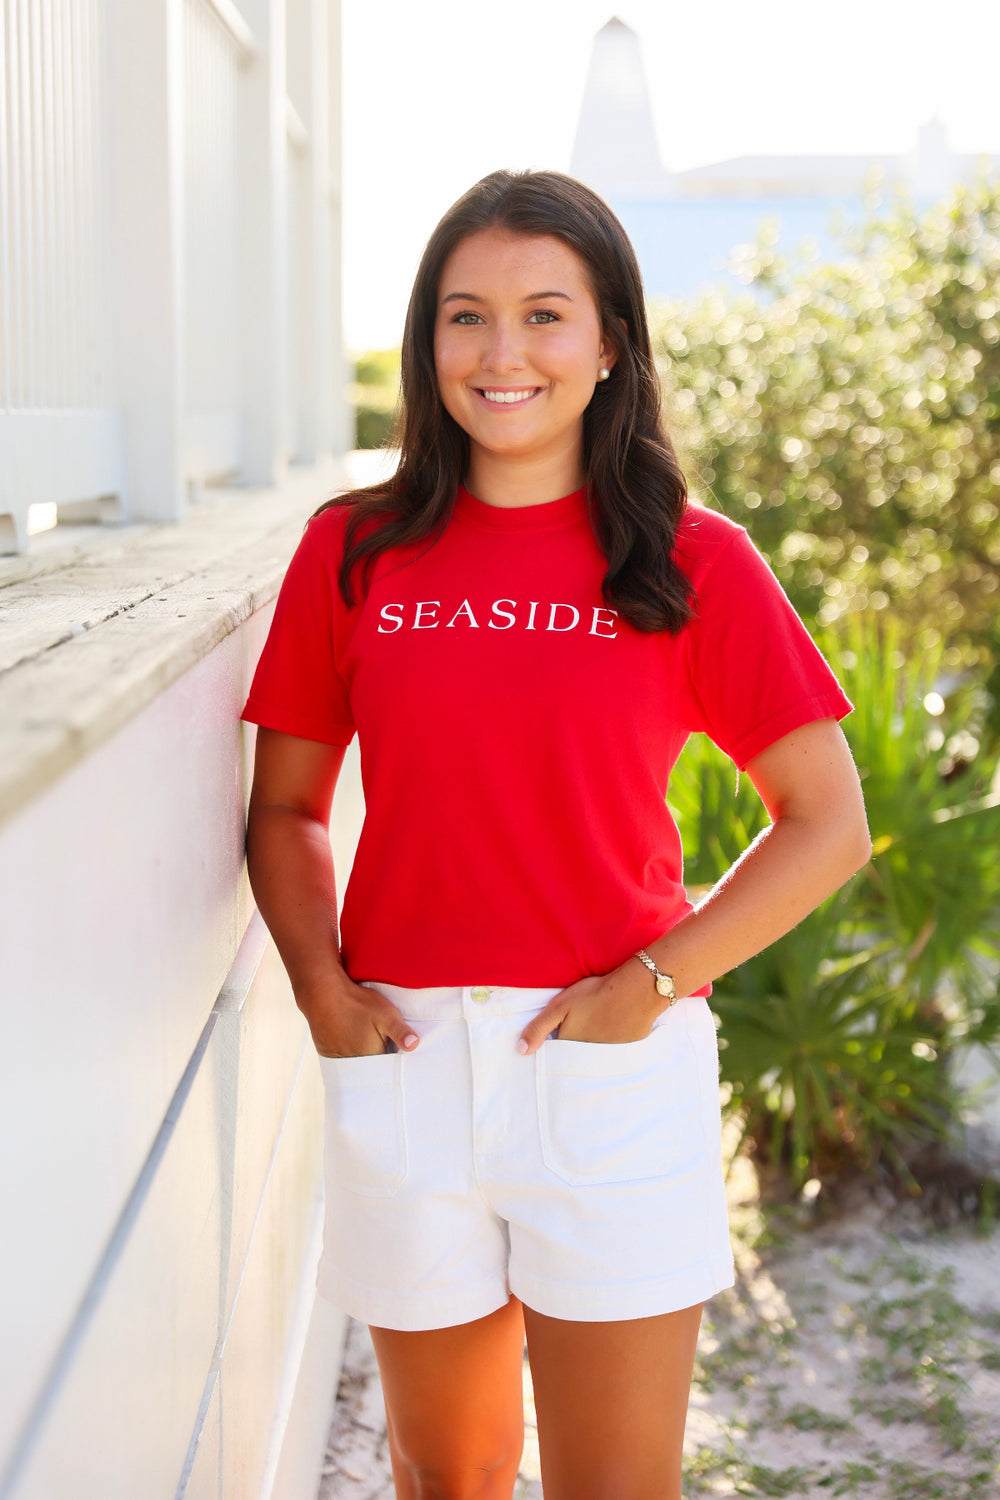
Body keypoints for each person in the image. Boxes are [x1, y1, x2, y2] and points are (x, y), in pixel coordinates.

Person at [241, 169, 871, 1500]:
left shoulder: (693, 560)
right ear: (428, 345)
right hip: (404, 1054)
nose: (502, 353)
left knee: (615, 1484)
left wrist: (653, 984)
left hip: (604, 1065)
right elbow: (287, 810)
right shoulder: (351, 552)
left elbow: (828, 825)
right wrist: (318, 988)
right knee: (446, 1472)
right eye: (465, 318)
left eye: (544, 314)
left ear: (610, 346)